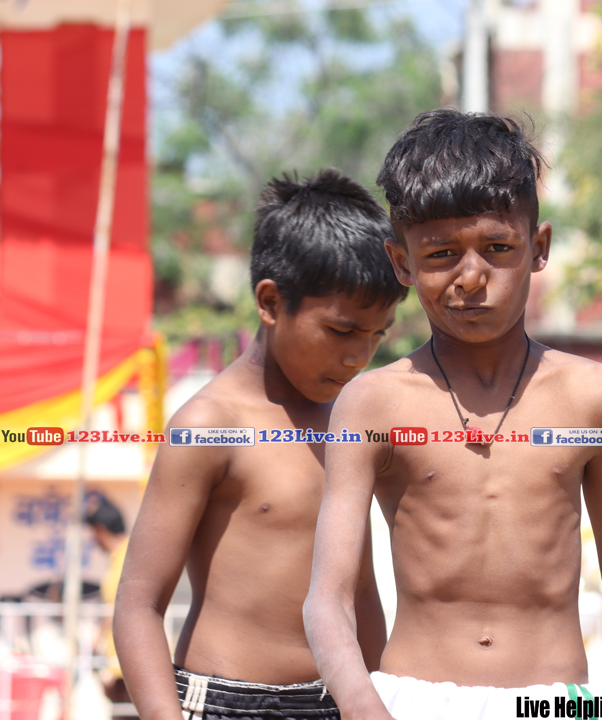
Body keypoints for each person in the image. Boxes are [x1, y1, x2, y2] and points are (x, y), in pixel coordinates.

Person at [303, 109, 602, 720]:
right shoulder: (373, 402)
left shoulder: (594, 398)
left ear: (538, 248)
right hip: (412, 701)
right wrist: (363, 704)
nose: (472, 277)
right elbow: (328, 597)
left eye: (498, 248)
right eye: (441, 254)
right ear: (402, 263)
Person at [114, 169, 406, 720]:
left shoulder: (349, 424)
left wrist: (378, 698)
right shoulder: (209, 423)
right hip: (226, 702)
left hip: (337, 703)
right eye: (343, 330)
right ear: (270, 302)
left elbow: (360, 591)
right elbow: (139, 605)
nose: (359, 355)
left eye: (377, 334)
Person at [85, 496, 131, 708]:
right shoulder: (127, 555)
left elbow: (116, 609)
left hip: (125, 662)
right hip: (124, 661)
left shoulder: (125, 559)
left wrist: (95, 642)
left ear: (100, 530)